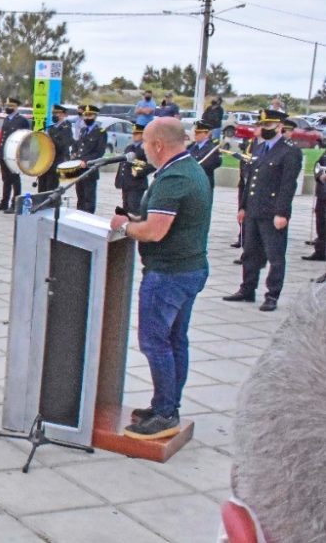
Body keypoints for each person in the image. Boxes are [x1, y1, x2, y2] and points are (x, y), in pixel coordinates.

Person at [108, 117, 211, 440]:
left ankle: (165, 412)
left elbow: (154, 231)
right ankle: (166, 405)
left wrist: (124, 227)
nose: (143, 151)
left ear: (158, 145)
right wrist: (137, 219)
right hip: (187, 268)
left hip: (169, 273)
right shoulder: (188, 168)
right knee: (174, 340)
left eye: (145, 145)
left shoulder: (175, 177)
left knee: (156, 342)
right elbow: (165, 221)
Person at [225, 109, 302, 312]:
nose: (264, 129)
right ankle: (247, 289)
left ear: (279, 127)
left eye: (268, 126)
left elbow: (288, 185)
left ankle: (272, 295)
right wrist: (243, 206)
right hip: (253, 210)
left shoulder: (289, 150)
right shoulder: (259, 148)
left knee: (275, 256)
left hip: (272, 212)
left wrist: (282, 213)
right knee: (250, 253)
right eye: (262, 125)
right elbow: (249, 181)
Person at [0, 98, 30, 212]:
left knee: (15, 179)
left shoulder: (22, 120)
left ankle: (15, 204)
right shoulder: (7, 119)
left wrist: (22, 155)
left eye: (11, 106)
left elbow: (25, 139)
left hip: (14, 155)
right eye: (7, 105)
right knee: (5, 179)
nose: (8, 108)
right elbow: (3, 137)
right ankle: (4, 202)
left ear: (16, 107)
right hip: (4, 153)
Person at [71, 104, 107, 214]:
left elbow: (99, 152)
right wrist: (73, 154)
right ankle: (79, 218)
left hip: (90, 169)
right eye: (85, 115)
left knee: (88, 199)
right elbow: (78, 146)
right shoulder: (83, 130)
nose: (86, 118)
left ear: (95, 116)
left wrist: (86, 162)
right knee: (80, 197)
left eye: (89, 115)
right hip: (79, 169)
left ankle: (88, 219)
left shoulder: (100, 132)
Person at [114, 124, 152, 213]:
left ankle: (135, 226)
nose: (134, 136)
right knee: (126, 208)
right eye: (133, 133)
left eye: (137, 134)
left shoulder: (147, 148)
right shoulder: (130, 147)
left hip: (136, 183)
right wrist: (120, 179)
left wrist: (139, 171)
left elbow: (152, 165)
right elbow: (123, 163)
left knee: (134, 208)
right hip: (126, 182)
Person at [42, 104, 74, 193]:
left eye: (57, 113)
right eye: (53, 113)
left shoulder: (66, 127)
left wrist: (49, 139)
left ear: (63, 115)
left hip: (58, 161)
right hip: (48, 161)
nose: (54, 115)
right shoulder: (51, 127)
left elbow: (63, 145)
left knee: (52, 187)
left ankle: (53, 205)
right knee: (43, 186)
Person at [187, 121, 222, 188]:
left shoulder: (213, 148)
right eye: (195, 132)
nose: (195, 135)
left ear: (207, 134)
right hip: (189, 183)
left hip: (204, 183)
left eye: (199, 133)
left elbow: (212, 164)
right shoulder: (191, 146)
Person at [306, 155, 326, 262]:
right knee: (321, 224)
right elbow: (318, 166)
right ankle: (320, 251)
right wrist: (319, 176)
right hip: (322, 193)